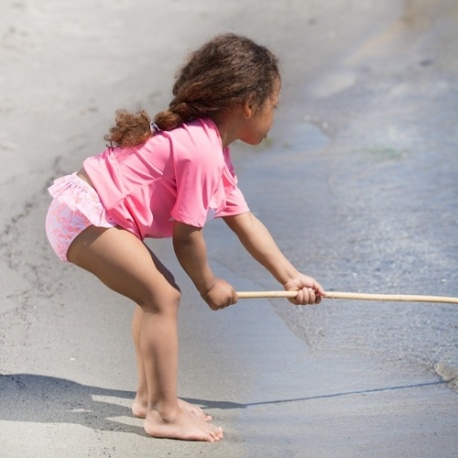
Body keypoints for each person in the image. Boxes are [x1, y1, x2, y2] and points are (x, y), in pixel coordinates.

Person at [45, 33, 325, 442]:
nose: (274, 116)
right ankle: (164, 414)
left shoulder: (212, 147)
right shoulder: (202, 151)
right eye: (274, 107)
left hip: (92, 213)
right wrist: (208, 285)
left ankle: (150, 398)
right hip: (85, 215)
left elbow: (244, 220)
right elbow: (187, 236)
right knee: (163, 297)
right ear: (248, 105)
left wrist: (290, 276)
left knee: (157, 293)